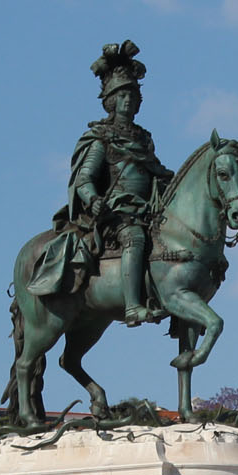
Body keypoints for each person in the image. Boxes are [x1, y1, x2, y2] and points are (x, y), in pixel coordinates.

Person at [31, 40, 173, 325]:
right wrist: (94, 199)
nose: (128, 101)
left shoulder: (143, 138)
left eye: (133, 95)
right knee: (134, 237)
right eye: (122, 96)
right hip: (116, 214)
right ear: (111, 101)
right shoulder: (101, 138)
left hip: (147, 209)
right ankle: (133, 306)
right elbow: (85, 178)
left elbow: (154, 172)